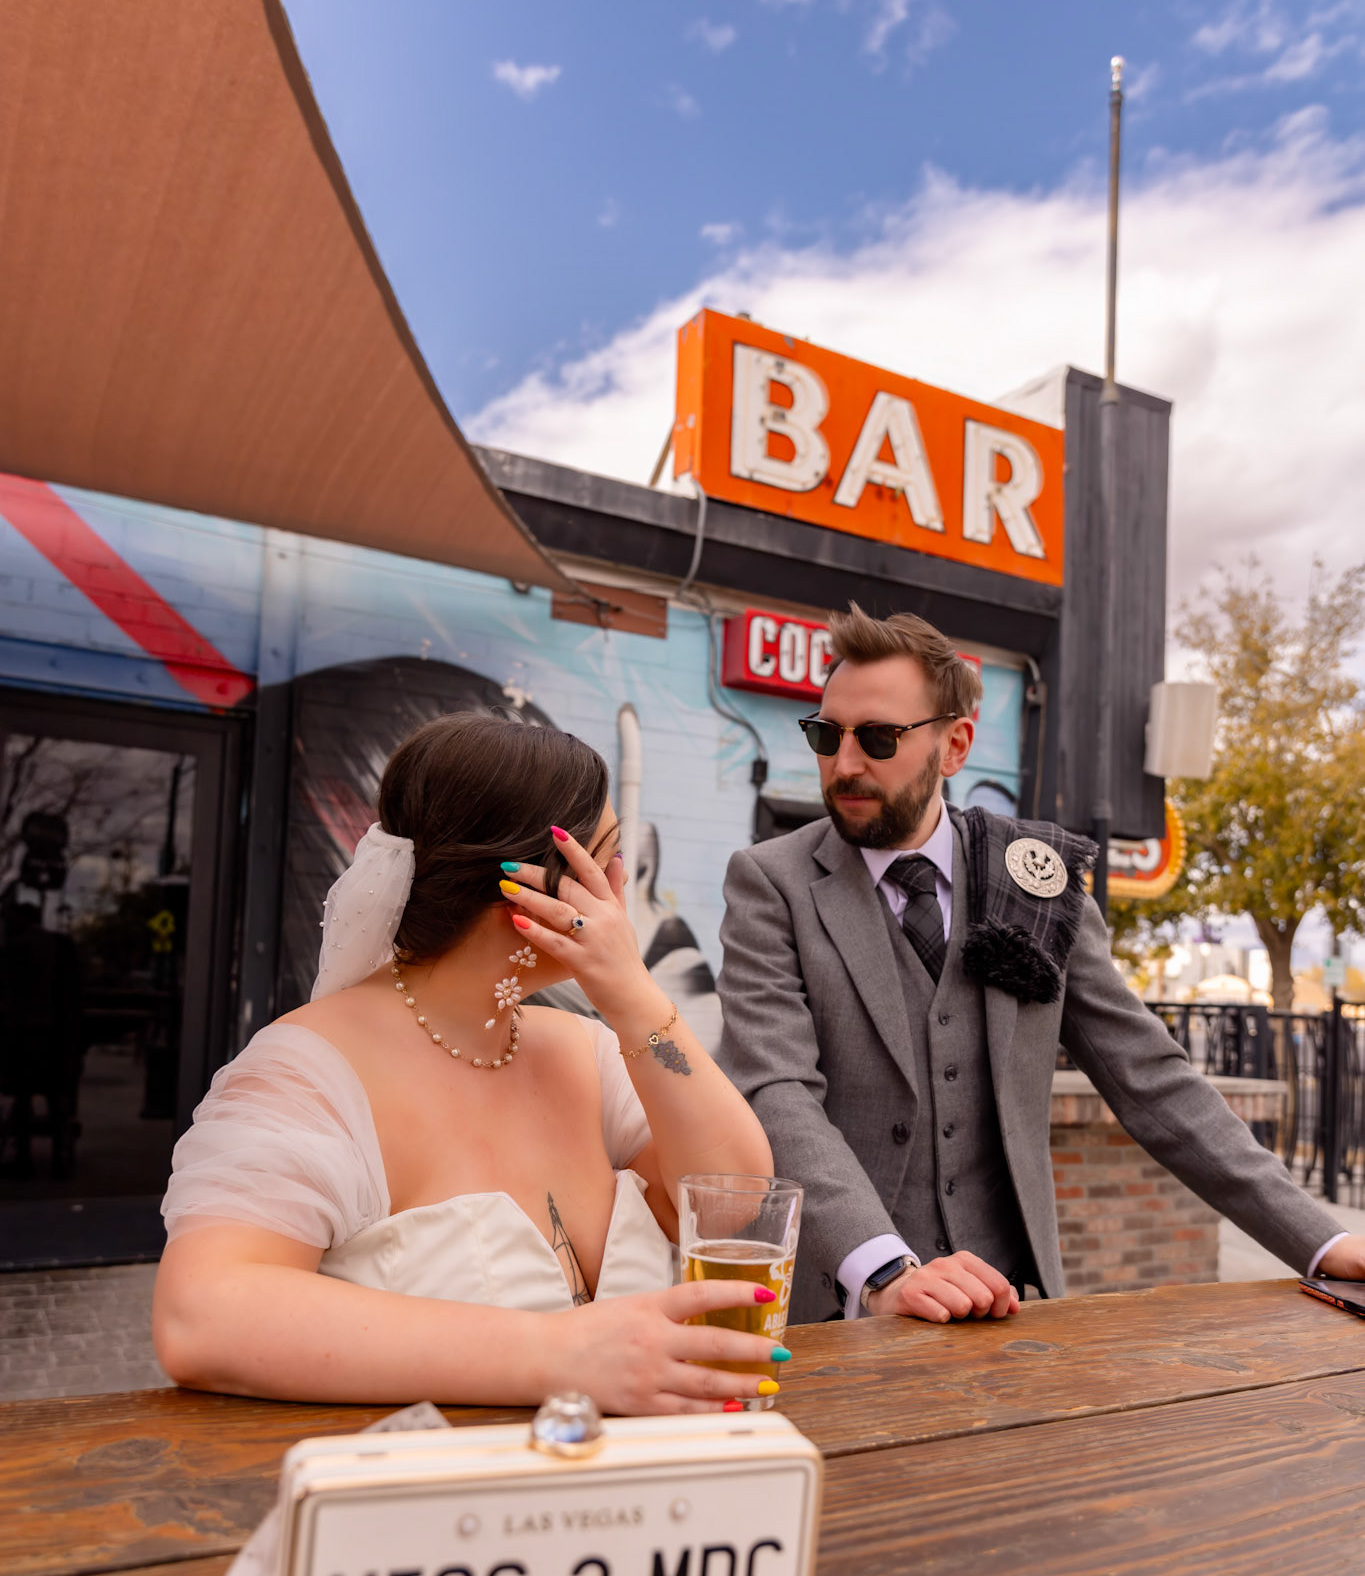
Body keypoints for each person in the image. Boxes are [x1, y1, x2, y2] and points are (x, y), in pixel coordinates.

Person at [717, 603, 1365, 1327]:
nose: (843, 764)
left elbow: (1149, 1077)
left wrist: (1322, 1240)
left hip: (1012, 1314)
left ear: (954, 746)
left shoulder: (1033, 878)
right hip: (837, 1313)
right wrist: (884, 1270)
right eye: (825, 734)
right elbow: (776, 1091)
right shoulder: (770, 882)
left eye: (876, 738)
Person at [154, 715, 779, 1411]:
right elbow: (201, 1316)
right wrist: (561, 1354)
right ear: (528, 886)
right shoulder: (307, 1075)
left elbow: (734, 1198)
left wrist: (635, 998)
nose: (621, 884)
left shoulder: (588, 1051)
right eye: (604, 861)